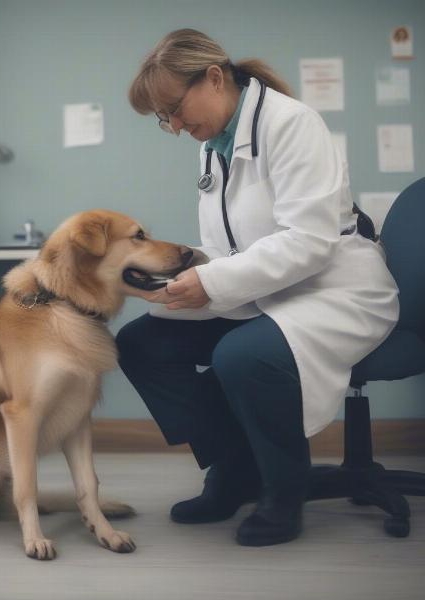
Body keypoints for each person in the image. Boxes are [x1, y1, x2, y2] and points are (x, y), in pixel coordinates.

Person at [117, 28, 399, 546]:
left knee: (242, 356)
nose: (176, 127)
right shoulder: (213, 146)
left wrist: (214, 280)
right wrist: (185, 277)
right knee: (141, 344)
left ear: (215, 78)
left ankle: (282, 489)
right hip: (265, 286)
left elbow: (309, 242)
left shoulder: (291, 124)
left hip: (334, 288)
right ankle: (235, 463)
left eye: (176, 109)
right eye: (165, 120)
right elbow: (230, 247)